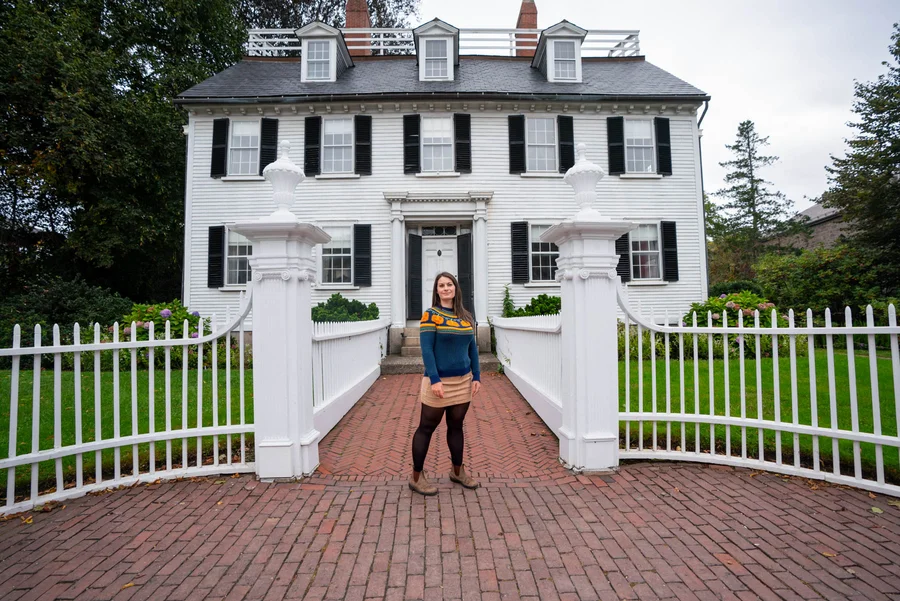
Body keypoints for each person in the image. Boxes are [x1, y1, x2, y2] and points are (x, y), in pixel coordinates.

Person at [409, 272, 482, 496]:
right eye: (441, 285)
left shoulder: (466, 317)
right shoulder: (430, 315)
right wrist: (435, 380)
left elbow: (473, 348)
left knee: (456, 427)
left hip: (463, 382)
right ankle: (417, 477)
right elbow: (427, 350)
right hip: (438, 383)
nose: (446, 288)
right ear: (437, 290)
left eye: (449, 284)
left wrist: (477, 376)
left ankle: (457, 471)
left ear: (455, 288)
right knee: (426, 428)